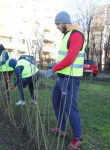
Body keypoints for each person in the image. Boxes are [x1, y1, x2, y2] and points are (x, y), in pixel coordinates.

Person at [45, 11, 86, 150]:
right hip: (62, 77)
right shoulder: (67, 35)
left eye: (57, 24)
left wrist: (53, 69)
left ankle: (77, 137)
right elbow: (64, 57)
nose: (57, 27)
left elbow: (70, 58)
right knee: (56, 100)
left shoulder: (76, 35)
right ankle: (62, 128)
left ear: (64, 22)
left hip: (70, 77)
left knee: (70, 107)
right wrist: (55, 68)